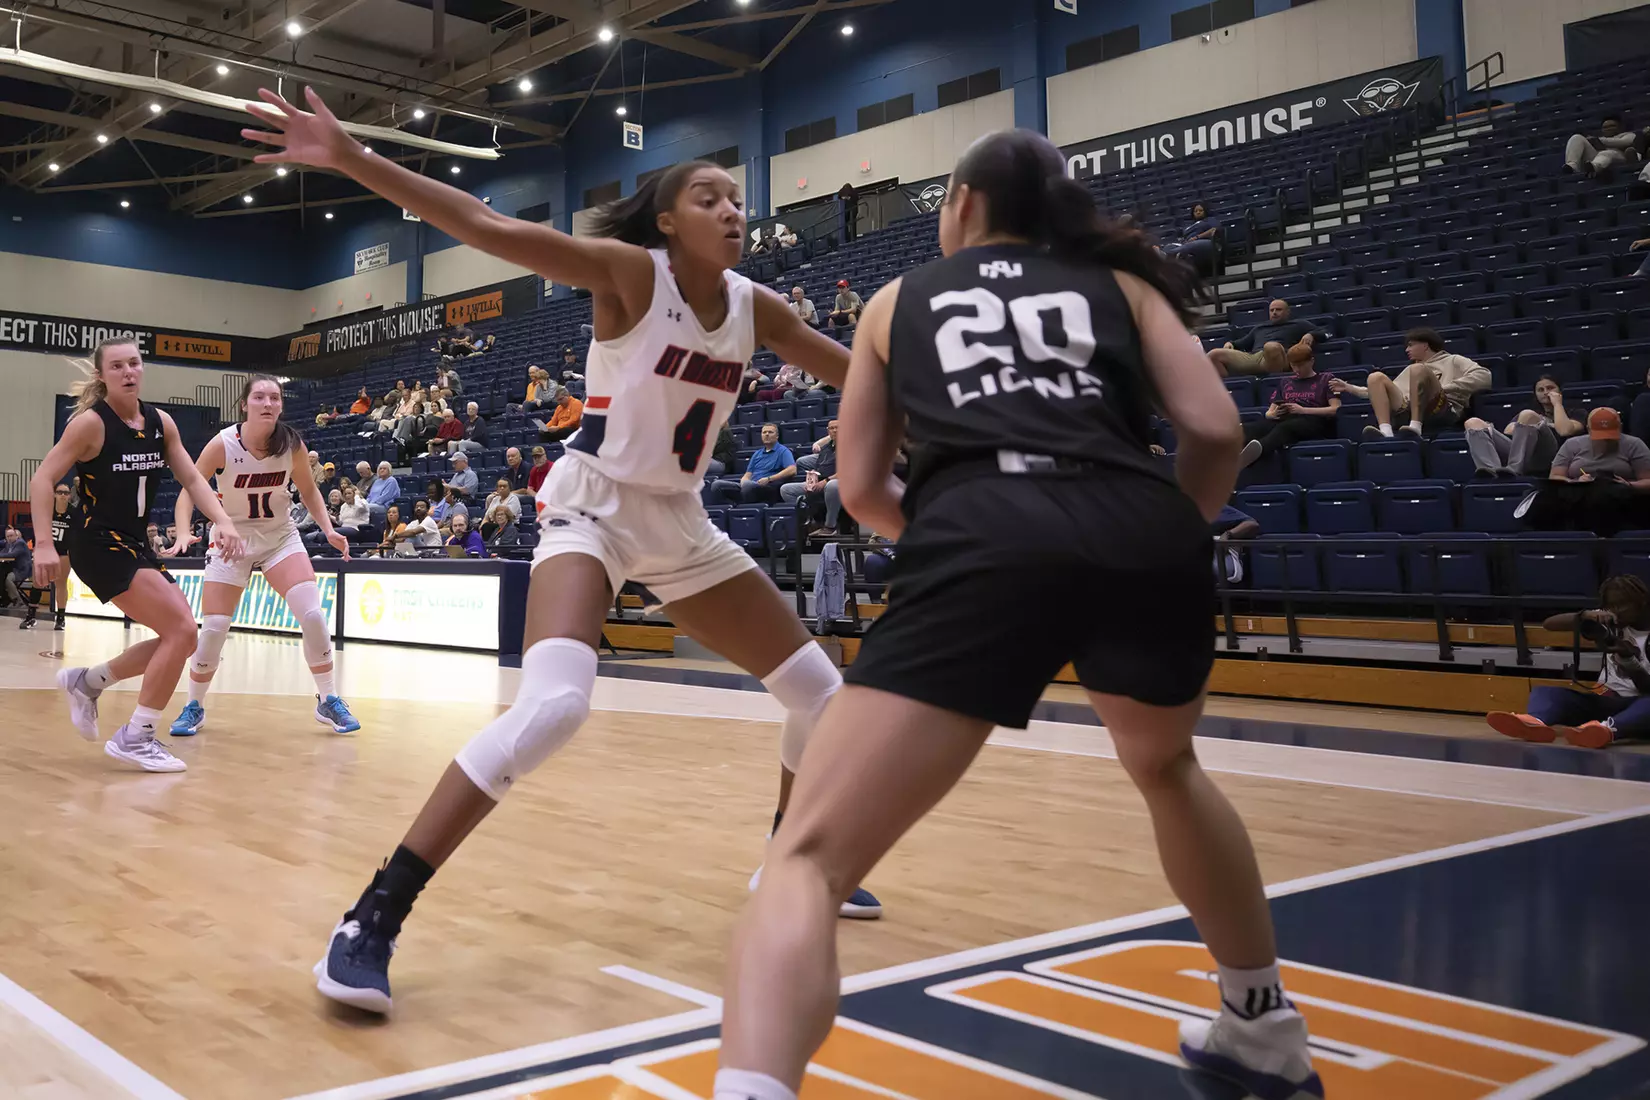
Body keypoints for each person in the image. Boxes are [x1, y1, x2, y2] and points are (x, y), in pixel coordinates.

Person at [243, 85, 877, 1015]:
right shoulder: (630, 274)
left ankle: (790, 857)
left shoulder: (757, 308)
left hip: (682, 522)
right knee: (556, 708)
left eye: (737, 197)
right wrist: (353, 159)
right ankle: (370, 918)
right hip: (591, 510)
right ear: (666, 221)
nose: (732, 209)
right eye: (708, 197)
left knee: (825, 699)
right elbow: (483, 221)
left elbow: (859, 377)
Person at [713, 128, 1320, 1100]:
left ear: (959, 203)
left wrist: (966, 539)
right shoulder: (1126, 288)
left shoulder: (893, 301)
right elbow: (1216, 429)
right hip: (1143, 527)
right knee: (1168, 765)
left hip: (985, 526)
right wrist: (1163, 527)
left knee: (810, 856)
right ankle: (1262, 1024)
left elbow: (864, 487)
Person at [28, 338, 247, 773]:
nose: (128, 371)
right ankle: (136, 736)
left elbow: (192, 477)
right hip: (96, 542)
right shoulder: (90, 425)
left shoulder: (161, 422)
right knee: (184, 629)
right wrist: (45, 545)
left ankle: (88, 682)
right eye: (117, 366)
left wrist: (223, 519)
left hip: (134, 542)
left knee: (181, 638)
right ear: (101, 375)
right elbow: (42, 479)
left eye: (134, 363)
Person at [163, 375, 359, 738]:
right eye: (259, 397)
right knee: (214, 630)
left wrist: (329, 529)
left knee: (313, 615)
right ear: (244, 405)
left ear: (281, 405)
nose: (267, 403)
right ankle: (194, 705)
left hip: (279, 538)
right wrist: (186, 527)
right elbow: (188, 490)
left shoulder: (291, 443)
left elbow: (310, 490)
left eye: (274, 397)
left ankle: (328, 699)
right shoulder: (222, 444)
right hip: (230, 541)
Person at [1487, 575, 1650, 749]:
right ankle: (1536, 721)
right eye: (1610, 605)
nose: (1616, 611)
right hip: (1606, 699)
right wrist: (1586, 615)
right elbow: (1550, 624)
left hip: (1640, 707)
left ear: (1642, 602)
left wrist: (1628, 660)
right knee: (1546, 693)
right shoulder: (1612, 624)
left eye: (1622, 605)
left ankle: (1607, 730)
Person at [1333, 328, 1489, 439]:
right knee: (1375, 377)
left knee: (1417, 369)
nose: (1407, 349)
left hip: (1443, 410)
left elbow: (1484, 376)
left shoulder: (1453, 360)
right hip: (1408, 409)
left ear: (1425, 345)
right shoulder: (1411, 368)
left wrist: (1445, 388)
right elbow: (1383, 393)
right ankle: (1386, 431)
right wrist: (1349, 388)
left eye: (1411, 345)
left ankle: (1416, 426)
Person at [1525, 408, 1650, 536]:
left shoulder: (1634, 444)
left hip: (1617, 493)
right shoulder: (1572, 444)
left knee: (1604, 493)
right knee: (1542, 496)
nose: (1605, 440)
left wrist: (1629, 485)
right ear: (1588, 429)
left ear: (1621, 427)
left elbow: (1647, 481)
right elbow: (1555, 476)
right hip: (1578, 491)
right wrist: (1575, 482)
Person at [1238, 343, 1338, 467]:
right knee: (1254, 427)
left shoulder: (1326, 379)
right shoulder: (1286, 382)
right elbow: (1269, 413)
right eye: (1293, 365)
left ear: (1311, 361)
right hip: (1287, 417)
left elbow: (1335, 409)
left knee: (1285, 428)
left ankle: (1258, 452)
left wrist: (1303, 410)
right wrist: (1274, 414)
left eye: (1300, 365)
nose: (1297, 369)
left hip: (1314, 421)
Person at [1463, 375, 1582, 477]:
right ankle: (1490, 471)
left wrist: (1557, 405)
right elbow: (1508, 431)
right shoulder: (1532, 413)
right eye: (1540, 390)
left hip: (1549, 456)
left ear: (1560, 391)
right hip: (1523, 452)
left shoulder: (1575, 412)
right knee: (1472, 422)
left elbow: (1564, 430)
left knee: (1527, 415)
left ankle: (1514, 469)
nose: (1545, 392)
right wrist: (1530, 425)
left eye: (1550, 388)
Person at [1207, 299, 1326, 377]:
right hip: (1254, 357)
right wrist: (1230, 343)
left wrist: (1311, 334)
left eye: (1278, 310)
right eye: (1272, 310)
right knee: (1213, 354)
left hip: (1279, 356)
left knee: (1270, 346)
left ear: (1287, 312)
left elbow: (1325, 333)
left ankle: (1274, 382)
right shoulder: (1260, 327)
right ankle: (1228, 387)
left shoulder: (1298, 324)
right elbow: (1241, 343)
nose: (1274, 312)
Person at [780, 419, 844, 537]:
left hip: (840, 483)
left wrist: (826, 481)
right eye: (832, 428)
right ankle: (811, 520)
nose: (835, 430)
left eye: (838, 428)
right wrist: (812, 478)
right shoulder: (826, 448)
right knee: (786, 489)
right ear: (828, 431)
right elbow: (819, 467)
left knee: (832, 485)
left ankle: (831, 526)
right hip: (821, 482)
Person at [712, 423, 795, 504]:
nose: (767, 434)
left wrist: (769, 478)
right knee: (717, 485)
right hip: (750, 485)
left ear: (777, 436)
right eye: (764, 432)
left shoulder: (783, 451)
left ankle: (744, 507)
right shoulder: (757, 453)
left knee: (748, 486)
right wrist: (744, 481)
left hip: (767, 487)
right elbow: (748, 474)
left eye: (770, 432)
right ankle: (733, 507)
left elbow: (792, 469)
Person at [1564, 114, 1640, 179]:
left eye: (1612, 126)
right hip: (1597, 157)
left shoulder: (1629, 135)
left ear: (1620, 127)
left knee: (1607, 152)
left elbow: (1624, 142)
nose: (1608, 129)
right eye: (1605, 127)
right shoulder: (1599, 139)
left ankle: (1594, 167)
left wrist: (1598, 140)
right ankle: (1572, 166)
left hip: (1619, 158)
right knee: (1576, 137)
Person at [1161, 201, 1221, 276]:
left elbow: (1214, 230)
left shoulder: (1210, 220)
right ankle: (1167, 256)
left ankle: (1166, 254)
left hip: (1207, 243)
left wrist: (1197, 237)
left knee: (1191, 244)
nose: (1198, 212)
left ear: (1205, 211)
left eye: (1200, 210)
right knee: (1169, 246)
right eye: (1196, 211)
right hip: (1188, 244)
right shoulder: (1189, 225)